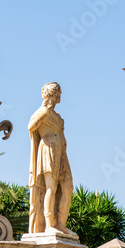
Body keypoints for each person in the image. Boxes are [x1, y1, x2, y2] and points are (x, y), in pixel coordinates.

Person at [28, 82, 76, 236]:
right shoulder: (41, 112)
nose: (60, 96)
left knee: (67, 188)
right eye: (58, 93)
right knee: (51, 186)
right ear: (53, 94)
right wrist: (44, 112)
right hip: (48, 149)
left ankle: (61, 225)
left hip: (61, 153)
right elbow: (31, 126)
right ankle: (49, 224)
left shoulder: (57, 116)